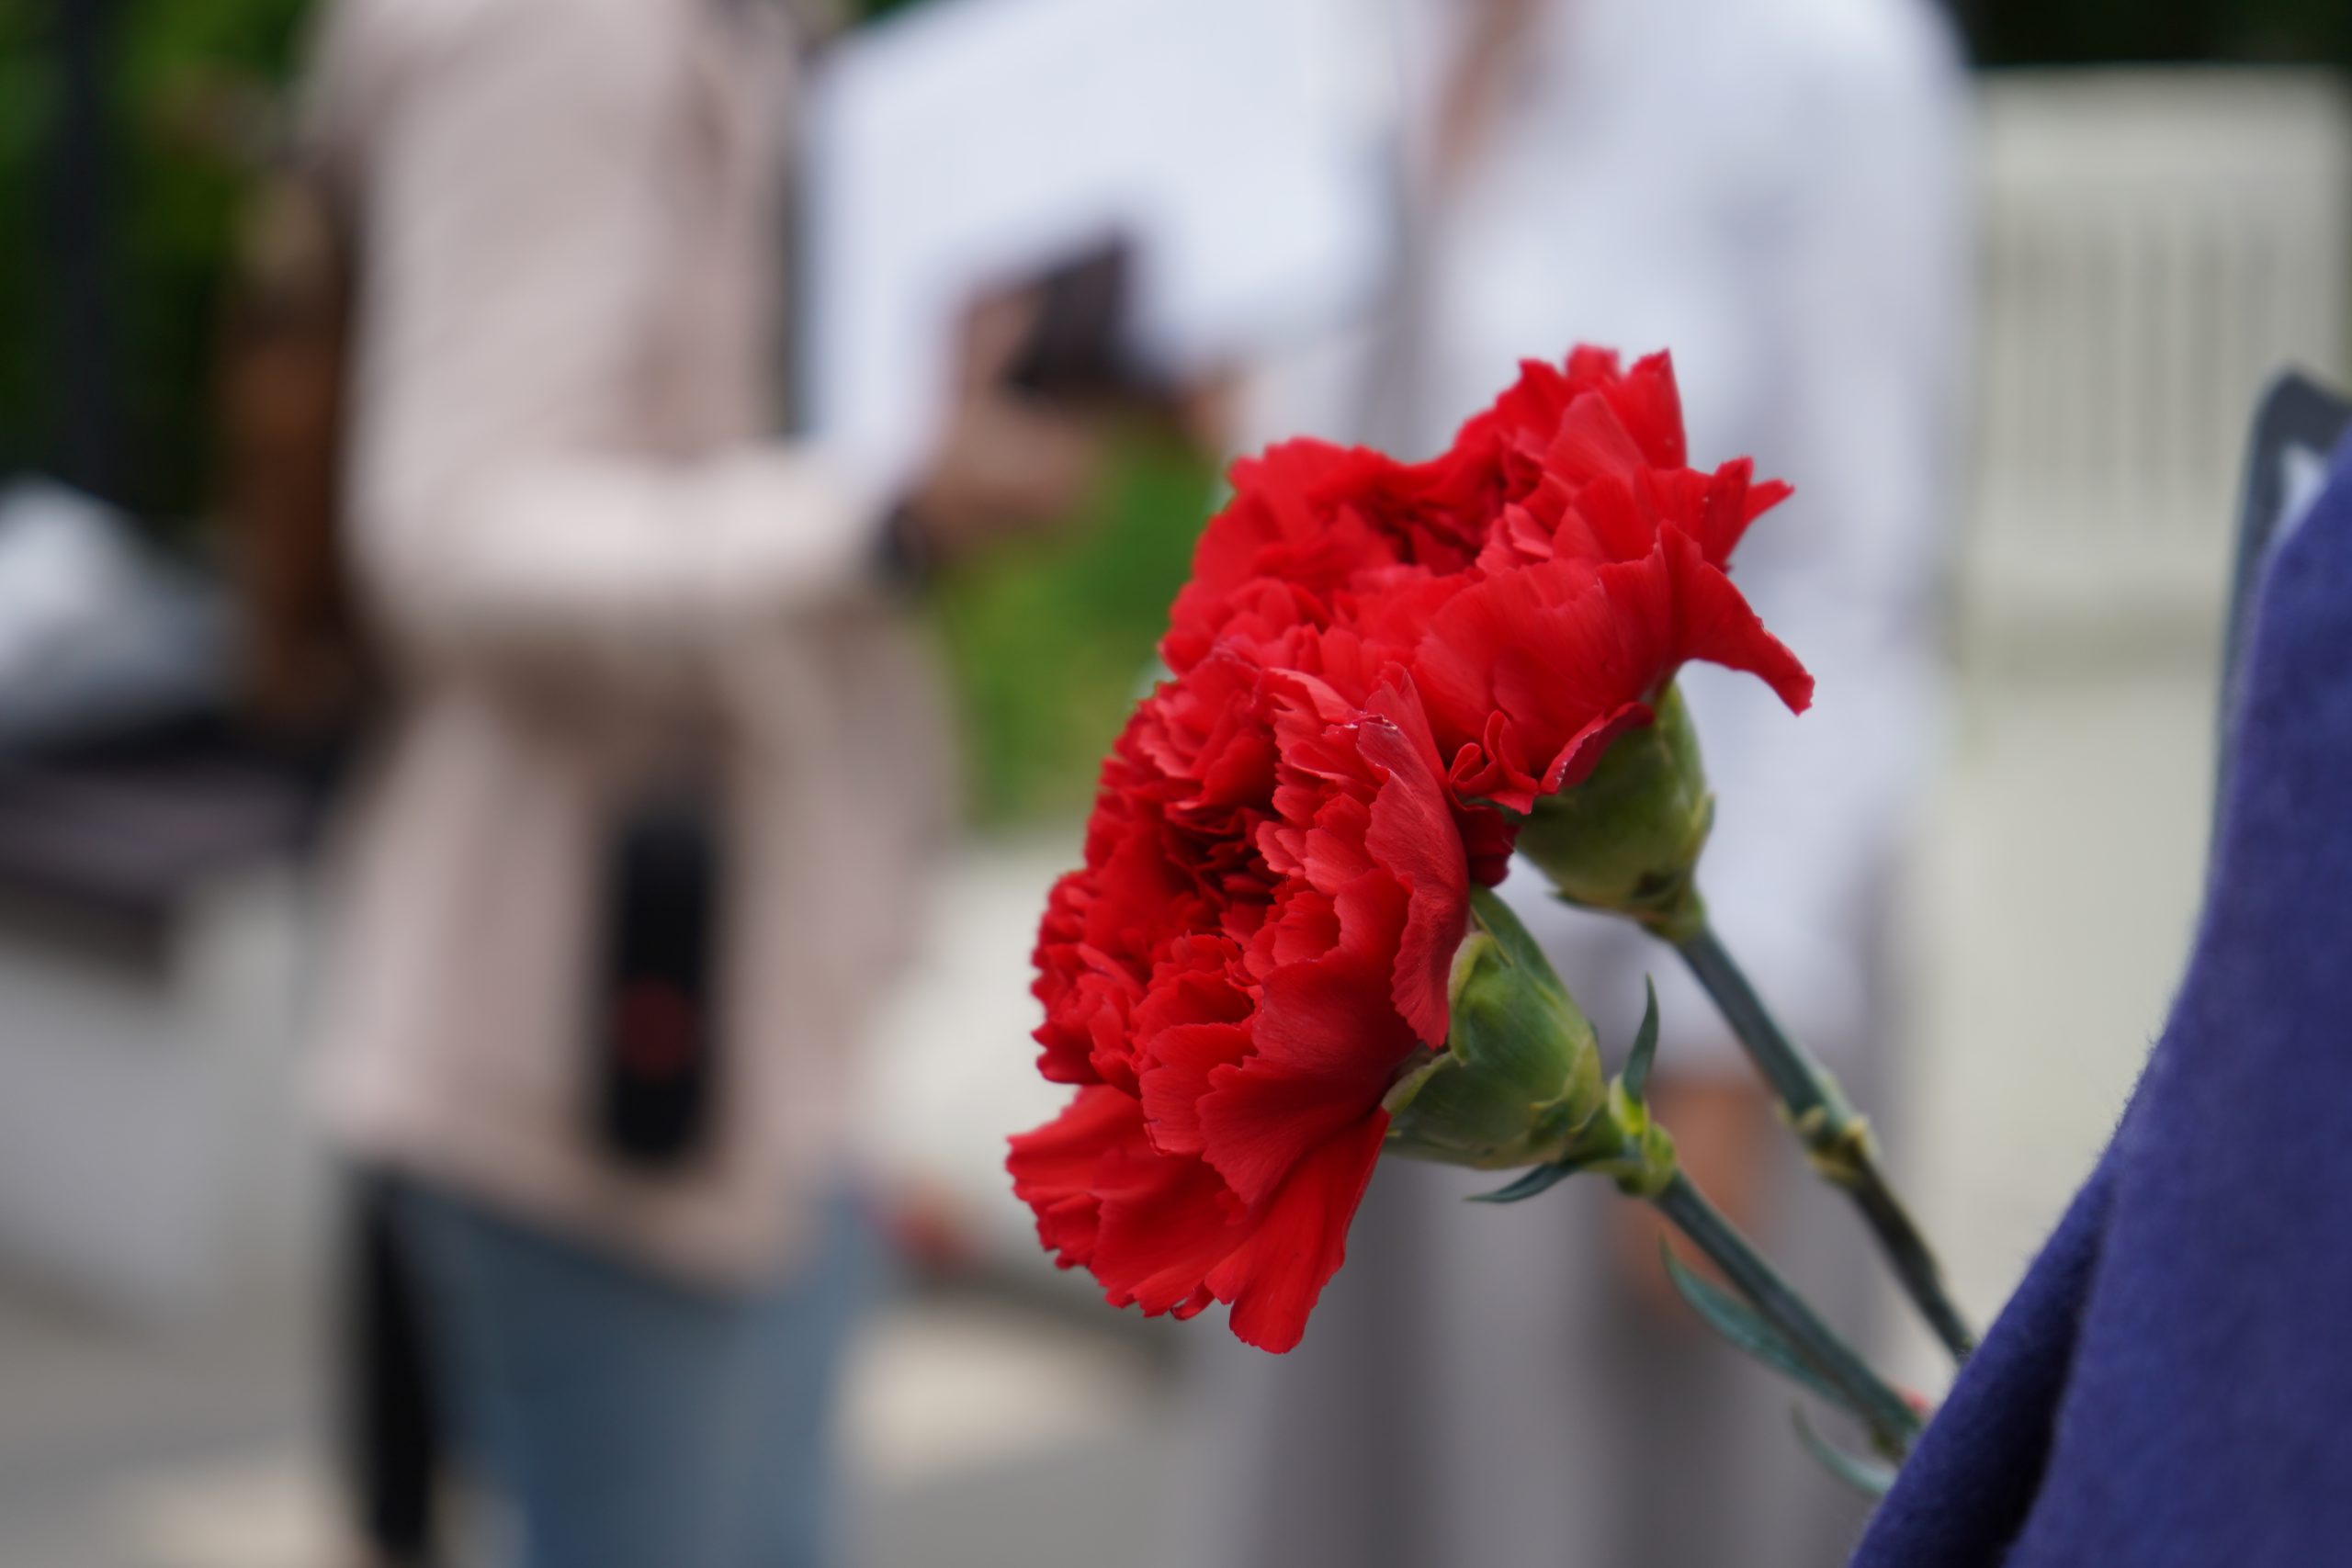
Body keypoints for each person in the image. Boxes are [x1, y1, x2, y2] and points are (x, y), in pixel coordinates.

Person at [295, 1, 1103, 1564]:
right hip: (589, 1035)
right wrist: (879, 515)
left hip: (746, 1017)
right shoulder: (567, 35)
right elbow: (448, 529)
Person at [1169, 0, 1970, 1564]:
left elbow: (1855, 581)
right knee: (1381, 1478)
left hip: (1678, 936)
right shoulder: (1370, 39)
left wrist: (1732, 1039)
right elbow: (1343, 471)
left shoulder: (1823, 63)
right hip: (1382, 935)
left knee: (1635, 1491)